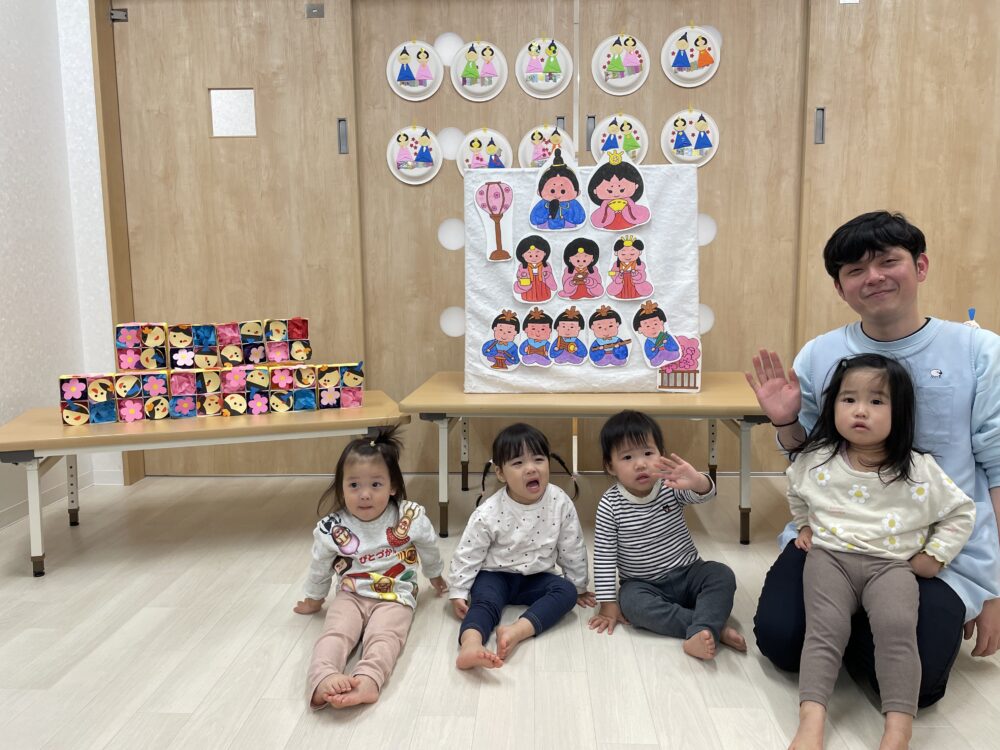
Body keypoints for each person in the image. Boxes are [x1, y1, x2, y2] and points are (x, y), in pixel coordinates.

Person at [746, 210, 1000, 711]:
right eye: (855, 270)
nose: (874, 277)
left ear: (920, 266)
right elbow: (807, 457)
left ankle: (866, 622)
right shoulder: (820, 355)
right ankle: (859, 618)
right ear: (840, 288)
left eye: (888, 261)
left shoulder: (979, 351)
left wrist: (993, 588)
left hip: (929, 549)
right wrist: (785, 421)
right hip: (834, 538)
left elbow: (996, 467)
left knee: (918, 686)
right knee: (781, 643)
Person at [784, 353, 975, 750]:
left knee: (897, 630)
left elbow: (961, 511)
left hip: (891, 567)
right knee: (824, 632)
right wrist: (804, 525)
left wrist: (935, 556)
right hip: (829, 559)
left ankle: (898, 730)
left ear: (899, 411)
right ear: (833, 406)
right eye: (848, 399)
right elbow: (795, 488)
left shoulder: (919, 469)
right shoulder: (816, 460)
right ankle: (811, 720)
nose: (860, 410)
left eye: (876, 401)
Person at [294, 427, 446, 709]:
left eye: (375, 485)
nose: (364, 494)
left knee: (385, 637)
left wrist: (435, 574)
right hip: (351, 594)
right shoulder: (333, 527)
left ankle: (369, 680)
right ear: (342, 488)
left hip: (396, 596)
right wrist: (314, 599)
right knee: (336, 633)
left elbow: (428, 546)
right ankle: (323, 676)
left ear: (393, 486)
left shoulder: (409, 517)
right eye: (354, 485)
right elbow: (320, 565)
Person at [588, 410, 746, 660]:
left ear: (661, 454)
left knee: (721, 574)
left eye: (648, 453)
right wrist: (608, 605)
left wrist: (698, 482)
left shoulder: (669, 486)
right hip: (643, 584)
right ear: (610, 466)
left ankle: (705, 626)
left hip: (689, 572)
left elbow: (704, 495)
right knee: (632, 605)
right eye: (627, 457)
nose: (640, 464)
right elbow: (604, 557)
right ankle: (709, 627)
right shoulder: (610, 505)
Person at [449, 423, 595, 669]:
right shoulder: (489, 511)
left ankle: (517, 630)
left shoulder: (559, 502)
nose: (531, 468)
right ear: (500, 473)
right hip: (495, 575)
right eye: (518, 463)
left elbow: (572, 546)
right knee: (484, 603)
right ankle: (471, 644)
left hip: (537, 577)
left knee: (566, 592)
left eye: (538, 459)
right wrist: (458, 590)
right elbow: (468, 553)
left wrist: (579, 585)